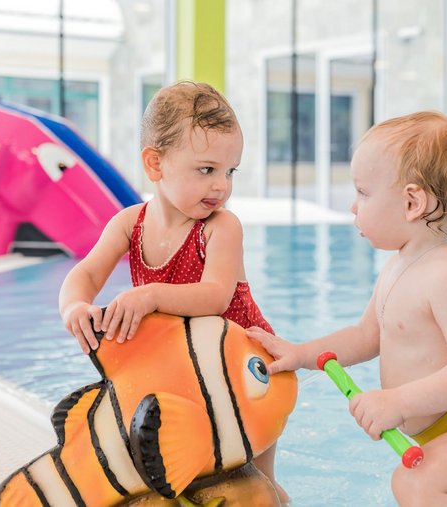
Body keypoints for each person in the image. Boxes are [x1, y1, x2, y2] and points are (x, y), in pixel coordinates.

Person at [247, 111, 447, 506]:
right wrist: (300, 353)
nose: (353, 206)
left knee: (416, 484)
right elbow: (365, 336)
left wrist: (399, 402)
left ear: (413, 202)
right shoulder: (398, 266)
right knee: (415, 484)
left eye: (363, 193)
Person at [59, 80, 288, 503]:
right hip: (182, 368)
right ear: (154, 164)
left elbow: (215, 296)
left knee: (254, 480)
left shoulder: (220, 227)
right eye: (206, 170)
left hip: (242, 369)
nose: (221, 186)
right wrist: (74, 305)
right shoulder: (130, 224)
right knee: (178, 473)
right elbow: (87, 272)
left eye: (229, 171)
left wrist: (150, 296)